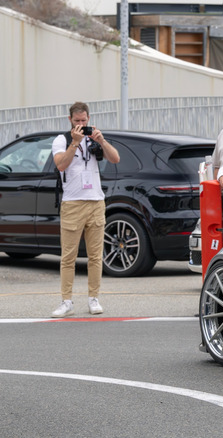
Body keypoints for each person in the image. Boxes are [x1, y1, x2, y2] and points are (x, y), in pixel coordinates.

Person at [50, 102, 120, 318]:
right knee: (68, 257)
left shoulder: (94, 138)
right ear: (70, 120)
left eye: (83, 120)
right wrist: (75, 142)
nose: (80, 124)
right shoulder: (62, 140)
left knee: (96, 256)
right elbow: (61, 165)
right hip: (72, 203)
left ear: (89, 119)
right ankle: (66, 301)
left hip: (96, 202)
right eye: (76, 121)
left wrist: (102, 141)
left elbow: (115, 158)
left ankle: (93, 298)